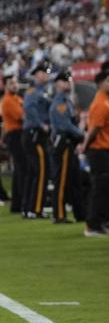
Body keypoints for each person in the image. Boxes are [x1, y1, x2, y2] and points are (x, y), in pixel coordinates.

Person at [82, 69, 109, 237]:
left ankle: (102, 220)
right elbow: (94, 129)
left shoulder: (105, 101)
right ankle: (92, 225)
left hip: (104, 149)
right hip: (99, 150)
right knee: (98, 188)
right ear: (100, 84)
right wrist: (85, 146)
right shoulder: (100, 103)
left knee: (103, 188)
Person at [48, 70, 85, 224]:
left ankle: (80, 213)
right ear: (57, 84)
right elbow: (65, 126)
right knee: (61, 180)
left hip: (70, 143)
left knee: (75, 180)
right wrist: (82, 134)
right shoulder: (60, 103)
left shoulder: (67, 101)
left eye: (69, 80)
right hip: (63, 143)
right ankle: (59, 214)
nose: (68, 83)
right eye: (64, 81)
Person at [21, 64, 52, 219]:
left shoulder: (43, 91)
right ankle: (36, 208)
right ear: (36, 75)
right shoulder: (33, 91)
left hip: (34, 134)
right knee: (41, 172)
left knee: (33, 173)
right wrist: (42, 125)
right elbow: (30, 109)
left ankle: (28, 207)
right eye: (43, 73)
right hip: (35, 134)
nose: (46, 76)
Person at [1, 75, 25, 213]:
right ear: (5, 86)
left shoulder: (17, 99)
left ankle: (17, 203)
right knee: (22, 168)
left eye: (15, 83)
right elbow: (22, 116)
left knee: (19, 170)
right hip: (15, 135)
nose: (14, 85)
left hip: (17, 134)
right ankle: (21, 201)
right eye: (11, 83)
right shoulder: (8, 101)